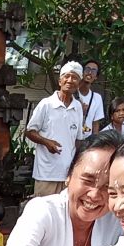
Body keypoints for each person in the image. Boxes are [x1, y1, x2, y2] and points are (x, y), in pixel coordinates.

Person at [25, 61, 83, 196]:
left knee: (64, 214)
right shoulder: (46, 104)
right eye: (67, 76)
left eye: (74, 77)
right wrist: (47, 142)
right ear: (60, 81)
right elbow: (29, 131)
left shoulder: (78, 107)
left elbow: (78, 140)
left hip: (68, 175)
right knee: (43, 213)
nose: (70, 80)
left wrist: (76, 167)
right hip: (46, 173)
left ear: (79, 84)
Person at [78, 60, 106, 137]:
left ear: (96, 77)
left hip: (86, 142)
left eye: (93, 71)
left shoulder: (97, 98)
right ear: (82, 72)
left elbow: (95, 124)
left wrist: (94, 144)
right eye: (87, 69)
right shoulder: (72, 93)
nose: (89, 73)